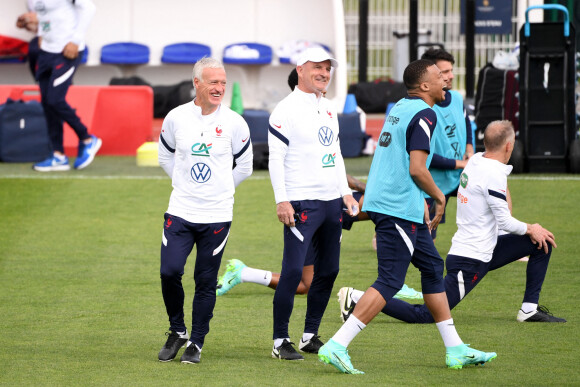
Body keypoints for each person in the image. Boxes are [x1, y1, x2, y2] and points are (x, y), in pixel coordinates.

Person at [317, 59, 496, 374]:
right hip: (396, 207)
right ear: (425, 85)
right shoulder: (425, 113)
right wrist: (439, 197)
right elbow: (417, 168)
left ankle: (455, 348)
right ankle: (337, 344)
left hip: (398, 205)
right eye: (440, 76)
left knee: (431, 268)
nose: (446, 81)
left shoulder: (400, 106)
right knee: (389, 280)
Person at [339, 120, 566, 325]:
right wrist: (530, 227)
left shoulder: (477, 160)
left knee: (540, 243)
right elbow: (505, 221)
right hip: (470, 259)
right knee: (426, 315)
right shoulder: (491, 173)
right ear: (509, 146)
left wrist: (532, 232)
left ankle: (528, 310)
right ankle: (357, 297)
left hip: (487, 248)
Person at [156, 57, 253, 364]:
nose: (219, 88)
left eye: (223, 83)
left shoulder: (236, 122)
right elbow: (164, 156)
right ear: (196, 83)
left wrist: (220, 190)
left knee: (205, 279)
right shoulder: (176, 117)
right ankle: (177, 330)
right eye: (213, 82)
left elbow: (246, 166)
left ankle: (196, 342)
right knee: (169, 271)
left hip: (217, 215)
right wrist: (186, 185)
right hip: (181, 211)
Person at [267, 46, 359, 361]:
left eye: (327, 68)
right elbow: (275, 160)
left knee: (329, 270)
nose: (324, 73)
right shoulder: (285, 109)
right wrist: (282, 199)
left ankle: (309, 336)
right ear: (301, 70)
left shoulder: (330, 107)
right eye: (317, 67)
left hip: (332, 202)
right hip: (301, 203)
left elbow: (334, 153)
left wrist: (345, 191)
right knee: (293, 272)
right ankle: (280, 340)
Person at [216, 174, 422, 300]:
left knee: (388, 210)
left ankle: (243, 273)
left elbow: (341, 172)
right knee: (305, 284)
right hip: (313, 210)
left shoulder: (324, 121)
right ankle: (394, 281)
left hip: (329, 205)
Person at [26, 0, 102, 172]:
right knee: (47, 103)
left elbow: (89, 8)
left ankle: (87, 139)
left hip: (67, 51)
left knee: (54, 100)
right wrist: (35, 27)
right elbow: (48, 16)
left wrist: (75, 40)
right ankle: (58, 155)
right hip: (46, 51)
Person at [420, 48, 474, 241]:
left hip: (460, 175)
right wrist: (459, 164)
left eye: (451, 70)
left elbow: (467, 123)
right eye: (444, 72)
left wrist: (469, 149)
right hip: (433, 182)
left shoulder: (457, 98)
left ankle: (504, 241)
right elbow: (424, 157)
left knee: (495, 192)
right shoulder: (423, 108)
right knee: (426, 240)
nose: (450, 76)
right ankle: (381, 233)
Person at [15, 8, 40, 77]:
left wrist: (39, 18)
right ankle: (39, 81)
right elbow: (36, 27)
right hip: (40, 37)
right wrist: (26, 22)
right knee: (33, 50)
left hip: (57, 39)